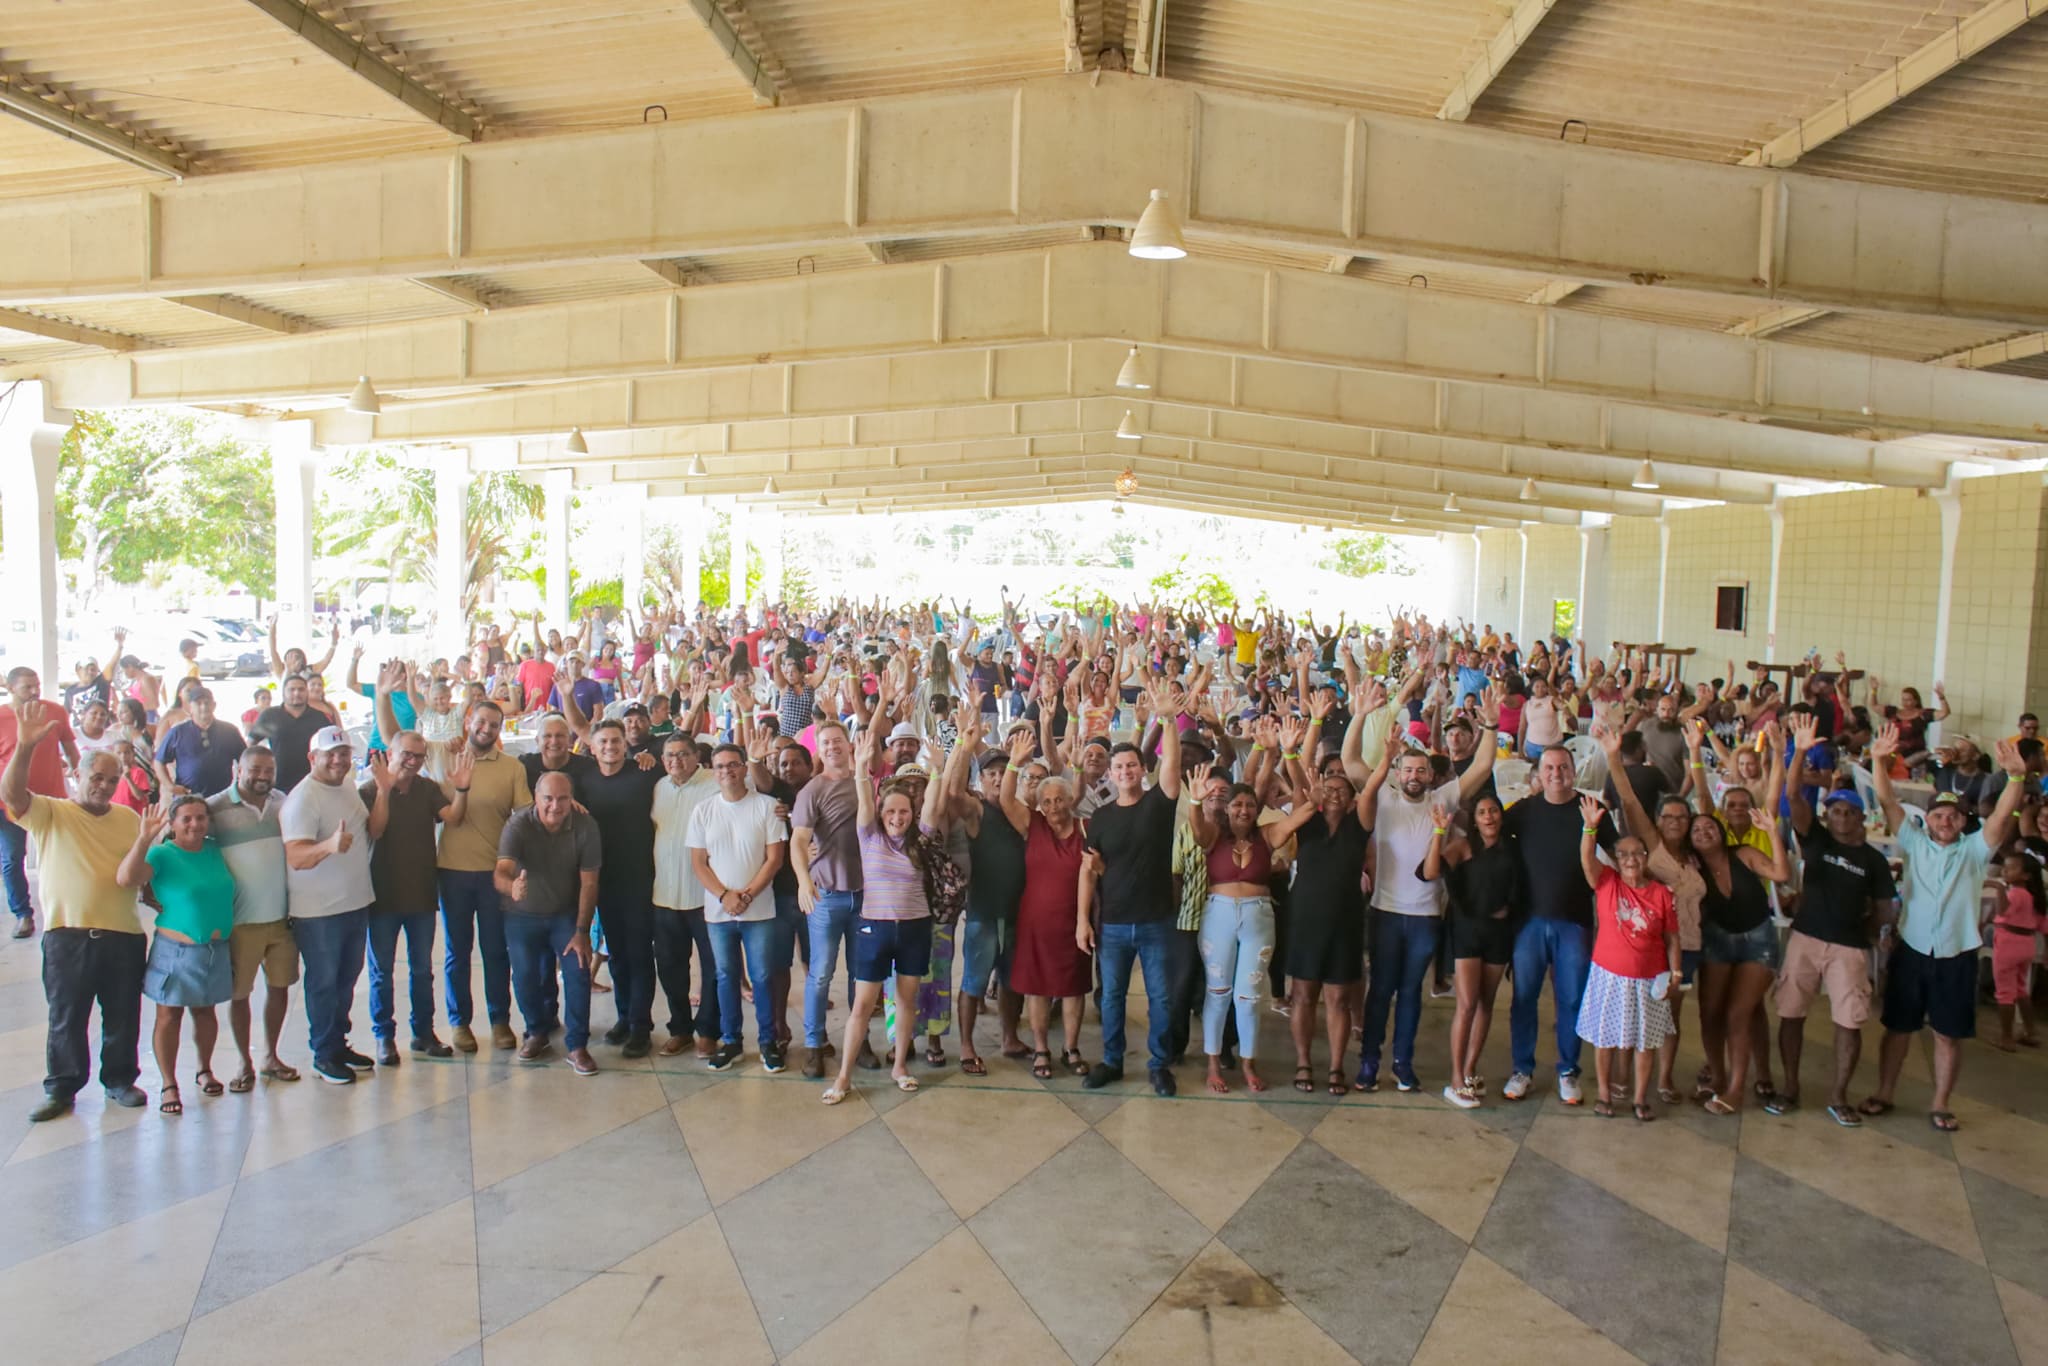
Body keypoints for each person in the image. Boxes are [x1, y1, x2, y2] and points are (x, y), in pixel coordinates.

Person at [1860, 724, 2026, 1132]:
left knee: (1948, 1035)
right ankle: (1885, 1092)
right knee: (1897, 1029)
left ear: (1963, 820)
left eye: (1953, 814)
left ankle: (1940, 1104)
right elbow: (1886, 800)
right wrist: (1879, 760)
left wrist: (2017, 777)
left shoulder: (1974, 851)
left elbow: (2003, 815)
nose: (1945, 820)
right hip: (1913, 950)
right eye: (1938, 813)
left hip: (1957, 953)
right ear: (1928, 818)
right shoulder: (1914, 844)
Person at [4, 710, 147, 1121]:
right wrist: (27, 745)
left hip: (123, 935)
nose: (102, 786)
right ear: (77, 776)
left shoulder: (128, 818)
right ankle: (62, 1088)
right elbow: (12, 796)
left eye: (110, 779)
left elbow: (139, 871)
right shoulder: (51, 812)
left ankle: (120, 1080)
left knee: (122, 1013)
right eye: (95, 778)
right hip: (68, 936)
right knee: (66, 1017)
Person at [1358, 684, 1500, 1094]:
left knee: (1411, 992)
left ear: (1431, 775)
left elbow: (1483, 766)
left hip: (1425, 916)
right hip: (1385, 912)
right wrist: (1366, 719)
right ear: (1398, 773)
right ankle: (1369, 1062)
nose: (1415, 776)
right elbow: (1352, 762)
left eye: (1422, 770)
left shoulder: (1444, 798)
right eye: (1408, 770)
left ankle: (1403, 1064)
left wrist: (1488, 725)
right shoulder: (1384, 799)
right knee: (1380, 989)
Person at [1764, 742, 1899, 1125]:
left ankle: (1839, 1095)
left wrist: (1879, 933)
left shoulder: (1873, 860)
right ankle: (1790, 1087)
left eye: (1848, 812)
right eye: (1835, 811)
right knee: (1791, 1013)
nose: (1841, 817)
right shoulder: (1817, 841)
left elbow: (1885, 906)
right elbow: (1792, 795)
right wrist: (1799, 753)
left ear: (1860, 817)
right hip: (1805, 939)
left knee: (1849, 1021)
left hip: (1849, 948)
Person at [820, 720, 949, 1104]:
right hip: (874, 929)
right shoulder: (869, 835)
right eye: (891, 810)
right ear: (881, 811)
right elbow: (863, 797)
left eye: (904, 811)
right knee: (863, 1004)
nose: (897, 817)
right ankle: (843, 1076)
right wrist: (861, 767)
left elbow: (934, 801)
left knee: (907, 1001)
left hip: (914, 928)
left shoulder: (921, 838)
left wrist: (939, 768)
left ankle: (900, 1066)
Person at [1186, 767, 1320, 1095]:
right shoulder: (1213, 835)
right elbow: (1197, 829)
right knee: (1218, 994)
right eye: (1236, 805)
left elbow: (1302, 813)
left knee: (1249, 998)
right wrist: (1194, 799)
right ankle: (1214, 1063)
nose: (1243, 810)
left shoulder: (1268, 834)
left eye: (1248, 805)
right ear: (1227, 808)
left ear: (1256, 809)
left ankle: (1248, 1062)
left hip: (1258, 918)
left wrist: (1305, 787)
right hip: (1218, 916)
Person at [1079, 681, 1184, 1097]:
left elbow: (1172, 764)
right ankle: (1112, 1060)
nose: (1125, 772)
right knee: (1111, 999)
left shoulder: (1160, 802)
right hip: (1115, 923)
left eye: (1132, 766)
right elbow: (1089, 870)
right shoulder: (1100, 818)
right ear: (1111, 774)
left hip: (1156, 919)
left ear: (1143, 770)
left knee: (1159, 998)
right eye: (1118, 768)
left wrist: (1168, 719)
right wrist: (1081, 921)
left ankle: (1159, 1064)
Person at [116, 794, 236, 1114]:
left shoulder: (213, 850)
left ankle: (204, 1069)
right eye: (186, 818)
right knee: (169, 1015)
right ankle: (169, 1083)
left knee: (206, 1012)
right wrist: (143, 839)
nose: (195, 824)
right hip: (176, 953)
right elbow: (127, 878)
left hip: (214, 949)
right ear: (172, 823)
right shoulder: (162, 854)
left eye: (200, 817)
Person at [361, 732, 469, 1063]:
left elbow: (453, 818)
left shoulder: (426, 789)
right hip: (382, 897)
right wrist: (384, 789)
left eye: (419, 757)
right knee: (381, 972)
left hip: (421, 894)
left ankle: (423, 1033)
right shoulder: (367, 791)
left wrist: (462, 789)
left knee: (422, 969)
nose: (412, 761)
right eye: (406, 754)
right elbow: (375, 830)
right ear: (389, 753)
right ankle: (384, 1036)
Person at [279, 725, 376, 1085]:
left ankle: (337, 1043)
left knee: (346, 980)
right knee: (323, 983)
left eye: (344, 753)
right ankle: (323, 1053)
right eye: (330, 754)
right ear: (312, 758)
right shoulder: (303, 799)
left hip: (353, 903)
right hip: (319, 912)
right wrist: (328, 846)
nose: (338, 760)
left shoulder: (347, 784)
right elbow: (296, 856)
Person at [1575, 795, 1680, 1122]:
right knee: (1605, 1039)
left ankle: (1639, 1099)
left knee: (1644, 1042)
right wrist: (1589, 830)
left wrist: (1675, 974)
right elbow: (1586, 860)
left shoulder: (1662, 893)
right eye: (1624, 854)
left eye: (1637, 853)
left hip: (1650, 978)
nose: (1631, 859)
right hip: (1608, 974)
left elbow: (1672, 937)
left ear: (1646, 858)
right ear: (1616, 860)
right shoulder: (1607, 882)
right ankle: (1605, 1094)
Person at [438, 699, 533, 1053]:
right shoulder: (444, 757)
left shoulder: (511, 768)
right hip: (452, 871)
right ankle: (460, 1022)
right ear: (467, 721)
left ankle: (499, 1020)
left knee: (496, 951)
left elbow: (524, 816)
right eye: (481, 722)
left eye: (494, 725)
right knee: (457, 952)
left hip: (495, 874)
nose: (487, 729)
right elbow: (395, 739)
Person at [1502, 744, 1596, 1104]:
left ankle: (1569, 1070)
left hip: (1574, 922)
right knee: (1524, 998)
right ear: (1538, 774)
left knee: (1571, 998)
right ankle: (1522, 1068)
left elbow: (1621, 852)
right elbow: (1491, 837)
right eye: (1550, 768)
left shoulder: (1589, 809)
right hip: (1528, 921)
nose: (1556, 774)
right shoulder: (1523, 811)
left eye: (1563, 767)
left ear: (1574, 771)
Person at [687, 743, 789, 1071]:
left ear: (745, 768)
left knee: (761, 976)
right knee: (725, 976)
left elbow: (774, 860)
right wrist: (724, 896)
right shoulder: (703, 811)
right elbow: (699, 863)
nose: (727, 771)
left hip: (759, 911)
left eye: (733, 765)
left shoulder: (767, 806)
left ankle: (767, 1042)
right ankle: (731, 1041)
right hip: (718, 913)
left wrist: (745, 895)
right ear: (712, 772)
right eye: (719, 766)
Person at [999, 728, 1093, 1079]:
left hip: (1076, 924)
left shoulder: (1086, 828)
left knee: (1074, 989)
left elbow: (1096, 868)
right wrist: (1014, 764)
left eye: (1059, 799)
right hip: (1035, 923)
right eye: (1047, 800)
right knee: (1037, 990)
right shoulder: (1033, 824)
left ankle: (1071, 1047)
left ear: (1071, 800)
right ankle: (1041, 1049)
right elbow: (1007, 801)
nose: (1054, 805)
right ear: (1039, 803)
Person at [495, 770, 601, 1074]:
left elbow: (590, 883)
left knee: (578, 969)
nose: (555, 806)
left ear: (572, 800)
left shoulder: (585, 825)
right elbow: (501, 870)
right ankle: (536, 1032)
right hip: (521, 916)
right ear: (536, 799)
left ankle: (577, 1044)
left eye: (562, 798)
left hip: (565, 915)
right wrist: (511, 886)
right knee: (525, 975)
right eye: (548, 799)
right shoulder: (518, 824)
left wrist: (582, 931)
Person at [208, 746, 301, 1089]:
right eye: (255, 769)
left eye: (269, 770)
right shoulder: (215, 809)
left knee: (280, 988)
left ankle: (270, 1056)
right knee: (239, 994)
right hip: (240, 922)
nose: (262, 776)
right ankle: (243, 1062)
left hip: (281, 919)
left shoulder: (284, 803)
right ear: (237, 768)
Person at [792, 720, 880, 1077]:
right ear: (819, 749)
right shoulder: (812, 791)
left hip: (867, 897)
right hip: (827, 896)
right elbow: (798, 841)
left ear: (849, 745)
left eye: (837, 741)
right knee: (821, 974)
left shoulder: (868, 784)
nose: (832, 747)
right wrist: (802, 881)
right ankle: (815, 1044)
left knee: (863, 975)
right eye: (825, 742)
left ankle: (860, 1042)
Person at [1425, 792, 1520, 1108]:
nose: (1489, 817)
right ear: (1475, 819)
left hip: (1498, 933)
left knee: (1485, 1003)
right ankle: (1455, 1079)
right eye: (1483, 812)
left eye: (1494, 811)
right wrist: (1439, 833)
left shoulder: (1511, 848)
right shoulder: (1464, 846)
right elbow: (1430, 871)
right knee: (1466, 1004)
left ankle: (1469, 1070)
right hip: (1467, 931)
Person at [575, 719, 664, 1056]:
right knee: (616, 955)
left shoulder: (644, 773)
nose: (610, 747)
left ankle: (641, 1025)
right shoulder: (584, 781)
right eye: (603, 742)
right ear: (592, 747)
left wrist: (650, 760)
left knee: (640, 953)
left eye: (615, 741)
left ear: (625, 743)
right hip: (604, 880)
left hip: (641, 878)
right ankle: (624, 1016)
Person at [958, 746, 1032, 1073]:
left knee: (1012, 981)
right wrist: (963, 742)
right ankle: (966, 1045)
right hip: (983, 913)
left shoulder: (1021, 812)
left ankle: (1010, 1037)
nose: (1000, 778)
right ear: (982, 780)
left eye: (1005, 772)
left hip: (1017, 913)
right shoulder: (977, 812)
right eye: (992, 773)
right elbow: (950, 794)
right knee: (974, 983)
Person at [651, 731, 721, 1057]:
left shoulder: (714, 785)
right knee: (670, 966)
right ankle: (680, 1027)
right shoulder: (659, 788)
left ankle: (708, 1030)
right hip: (664, 895)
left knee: (713, 966)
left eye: (682, 754)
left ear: (696, 757)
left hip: (705, 895)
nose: (675, 761)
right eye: (669, 756)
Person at [0, 666, 81, 938]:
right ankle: (23, 914)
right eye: (27, 687)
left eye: (36, 685)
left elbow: (71, 749)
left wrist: (82, 775)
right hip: (9, 804)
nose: (35, 692)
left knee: (63, 854)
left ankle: (67, 910)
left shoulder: (55, 711)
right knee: (12, 859)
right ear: (11, 688)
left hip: (52, 800)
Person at [1986, 851, 2044, 1050]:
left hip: (2008, 943)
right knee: (2021, 990)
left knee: (2005, 993)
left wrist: (1999, 886)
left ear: (2025, 875)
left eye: (2010, 868)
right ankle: (2031, 1032)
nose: (2005, 870)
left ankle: (2007, 1037)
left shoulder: (2015, 893)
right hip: (2027, 943)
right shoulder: (2035, 897)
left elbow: (2002, 911)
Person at [151, 686, 245, 797]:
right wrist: (170, 786)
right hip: (188, 799)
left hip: (223, 798)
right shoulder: (177, 732)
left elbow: (245, 759)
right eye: (198, 703)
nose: (204, 707)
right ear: (190, 707)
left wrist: (241, 784)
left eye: (207, 703)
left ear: (214, 705)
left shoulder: (230, 731)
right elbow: (159, 761)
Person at [247, 674, 328, 792]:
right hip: (277, 783)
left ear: (307, 691)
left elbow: (331, 749)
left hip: (311, 782)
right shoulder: (270, 715)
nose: (296, 693)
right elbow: (251, 745)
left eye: (301, 689)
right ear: (284, 692)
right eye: (292, 689)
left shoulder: (319, 717)